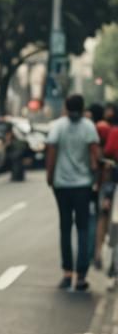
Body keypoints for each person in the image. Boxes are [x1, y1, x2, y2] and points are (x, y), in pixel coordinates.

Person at [47, 94, 100, 292]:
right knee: (83, 228)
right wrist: (96, 178)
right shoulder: (88, 126)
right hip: (83, 185)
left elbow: (51, 152)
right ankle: (81, 276)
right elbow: (95, 154)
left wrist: (50, 176)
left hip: (62, 185)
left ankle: (67, 273)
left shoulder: (58, 126)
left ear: (66, 107)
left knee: (65, 227)